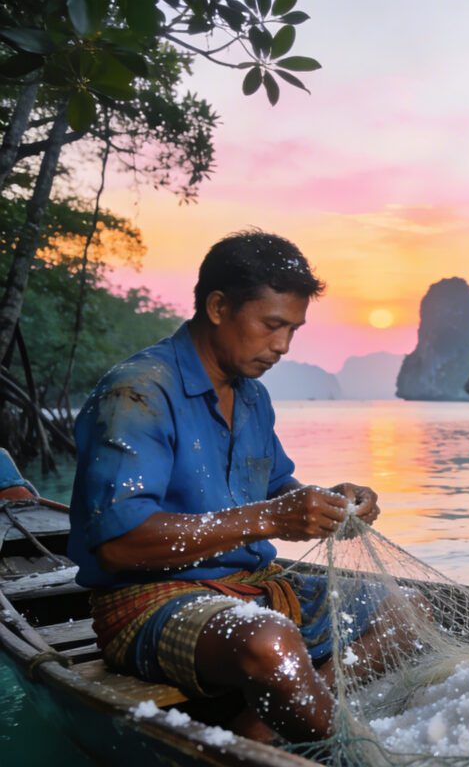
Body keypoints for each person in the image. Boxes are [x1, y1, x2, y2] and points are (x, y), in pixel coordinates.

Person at [68, 231, 405, 742]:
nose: (283, 346)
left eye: (293, 330)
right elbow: (118, 544)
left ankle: (260, 731)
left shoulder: (252, 398)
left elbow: (276, 487)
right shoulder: (137, 392)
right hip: (150, 601)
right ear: (219, 307)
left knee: (404, 609)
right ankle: (339, 745)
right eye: (272, 325)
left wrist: (328, 503)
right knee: (270, 643)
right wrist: (273, 518)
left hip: (254, 587)